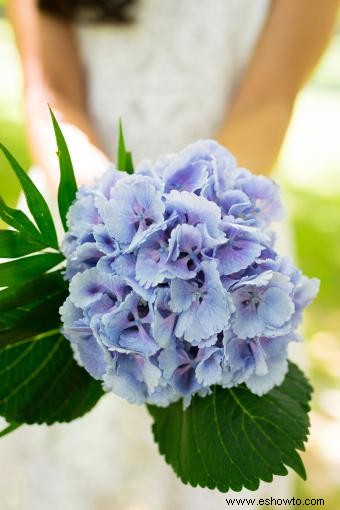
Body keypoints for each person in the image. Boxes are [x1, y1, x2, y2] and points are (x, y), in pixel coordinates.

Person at [1, 1, 338, 509]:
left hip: (230, 236)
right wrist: (117, 238)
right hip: (86, 225)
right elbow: (52, 93)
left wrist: (196, 233)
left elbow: (269, 98)